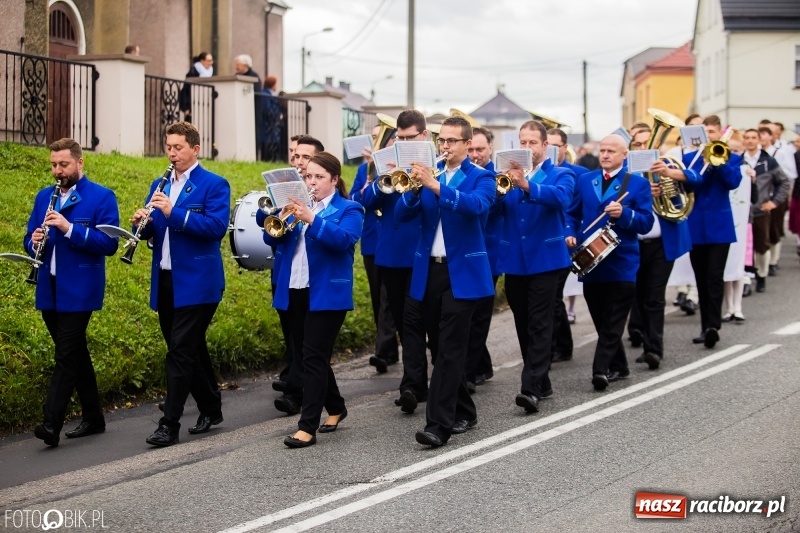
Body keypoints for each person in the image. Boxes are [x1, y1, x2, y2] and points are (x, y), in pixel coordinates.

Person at [395, 116, 495, 447]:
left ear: (467, 144)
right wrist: (414, 188)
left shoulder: (482, 177)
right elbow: (401, 215)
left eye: (452, 141)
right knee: (439, 348)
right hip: (430, 270)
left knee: (451, 348)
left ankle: (438, 425)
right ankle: (465, 410)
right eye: (442, 140)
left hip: (462, 272)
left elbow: (476, 206)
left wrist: (435, 186)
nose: (445, 146)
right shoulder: (430, 173)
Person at [258, 152, 364, 448]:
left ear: (335, 179)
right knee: (309, 355)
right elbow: (270, 238)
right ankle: (336, 407)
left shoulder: (350, 208)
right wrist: (283, 215)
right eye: (308, 176)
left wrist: (312, 219)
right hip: (294, 287)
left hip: (328, 293)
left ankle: (307, 427)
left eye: (319, 177)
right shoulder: (299, 207)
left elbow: (343, 240)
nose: (312, 182)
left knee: (313, 357)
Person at [135, 122, 231, 447]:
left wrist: (173, 212)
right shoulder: (159, 184)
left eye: (178, 147)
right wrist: (143, 224)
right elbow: (156, 230)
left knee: (179, 352)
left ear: (195, 148)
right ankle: (211, 407)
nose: (172, 153)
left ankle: (169, 424)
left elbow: (215, 228)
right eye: (169, 147)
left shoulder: (214, 185)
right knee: (188, 350)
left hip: (199, 282)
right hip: (166, 278)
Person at [26, 138, 119, 447]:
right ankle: (94, 417)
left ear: (80, 163)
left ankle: (50, 423)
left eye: (64, 164)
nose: (58, 171)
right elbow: (29, 238)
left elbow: (109, 244)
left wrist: (69, 228)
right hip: (49, 287)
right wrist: (33, 241)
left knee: (66, 355)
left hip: (80, 289)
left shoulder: (101, 197)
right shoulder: (44, 196)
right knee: (75, 353)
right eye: (54, 165)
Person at [566, 134, 654, 391]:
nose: (604, 155)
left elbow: (646, 222)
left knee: (614, 320)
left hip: (622, 261)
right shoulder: (585, 180)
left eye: (611, 151)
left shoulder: (637, 183)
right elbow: (571, 214)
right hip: (590, 261)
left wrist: (625, 213)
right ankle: (620, 366)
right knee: (600, 317)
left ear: (624, 155)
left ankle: (600, 369)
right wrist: (570, 233)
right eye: (602, 150)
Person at [499, 121, 575, 412]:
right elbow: (494, 209)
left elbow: (561, 198)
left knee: (540, 323)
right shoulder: (507, 175)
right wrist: (499, 190)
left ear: (545, 146)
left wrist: (526, 184)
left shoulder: (561, 173)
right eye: (523, 142)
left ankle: (530, 388)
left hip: (546, 259)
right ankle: (542, 381)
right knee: (522, 322)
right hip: (515, 260)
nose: (527, 147)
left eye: (532, 142)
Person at [628, 140, 695, 370]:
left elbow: (696, 182)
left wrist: (670, 174)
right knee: (638, 295)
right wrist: (642, 193)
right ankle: (644, 339)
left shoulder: (668, 166)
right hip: (634, 243)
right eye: (638, 143)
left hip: (661, 243)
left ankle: (653, 349)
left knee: (655, 296)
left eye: (647, 142)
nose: (643, 147)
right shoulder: (625, 172)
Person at [270, 135, 325, 414]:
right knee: (294, 336)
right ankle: (308, 388)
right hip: (288, 275)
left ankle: (295, 393)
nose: (299, 161)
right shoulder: (289, 190)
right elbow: (270, 235)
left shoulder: (328, 198)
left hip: (315, 280)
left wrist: (308, 216)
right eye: (296, 156)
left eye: (306, 157)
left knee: (308, 343)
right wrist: (278, 212)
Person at [681, 115, 743, 349]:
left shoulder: (732, 158)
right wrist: (705, 163)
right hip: (696, 226)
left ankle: (713, 327)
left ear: (720, 134)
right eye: (705, 132)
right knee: (701, 277)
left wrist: (719, 162)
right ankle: (704, 326)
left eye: (713, 132)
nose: (709, 136)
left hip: (720, 227)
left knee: (715, 276)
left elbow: (733, 182)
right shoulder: (690, 158)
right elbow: (690, 185)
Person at [351, 124, 400, 374]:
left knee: (388, 298)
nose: (376, 141)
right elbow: (354, 200)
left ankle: (382, 350)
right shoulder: (364, 169)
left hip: (392, 240)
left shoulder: (403, 166)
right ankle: (388, 351)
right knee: (377, 298)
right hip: (372, 239)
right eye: (373, 137)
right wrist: (367, 184)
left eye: (381, 137)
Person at [465, 126, 502, 389]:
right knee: (468, 314)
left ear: (490, 148)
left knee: (479, 315)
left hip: (489, 253)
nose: (475, 154)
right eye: (471, 149)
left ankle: (468, 373)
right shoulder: (462, 173)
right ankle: (482, 365)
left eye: (480, 149)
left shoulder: (496, 177)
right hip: (464, 252)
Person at [547, 128, 588, 363]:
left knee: (553, 297)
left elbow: (584, 209)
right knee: (554, 297)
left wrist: (574, 233)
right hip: (549, 241)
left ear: (565, 148)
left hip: (570, 240)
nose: (551, 150)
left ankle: (555, 347)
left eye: (556, 146)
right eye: (548, 145)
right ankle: (562, 345)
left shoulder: (580, 174)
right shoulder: (537, 172)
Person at [741, 128, 789, 293]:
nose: (750, 140)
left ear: (759, 140)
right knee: (744, 247)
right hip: (742, 211)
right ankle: (745, 279)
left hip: (760, 210)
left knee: (762, 245)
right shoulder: (739, 160)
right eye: (747, 137)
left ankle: (761, 274)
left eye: (754, 137)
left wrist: (774, 202)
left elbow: (784, 182)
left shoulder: (768, 161)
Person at [178, 52, 214, 123]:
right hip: (193, 103)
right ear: (202, 61)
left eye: (211, 60)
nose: (211, 63)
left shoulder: (211, 71)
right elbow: (186, 90)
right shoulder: (193, 71)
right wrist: (186, 107)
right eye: (209, 60)